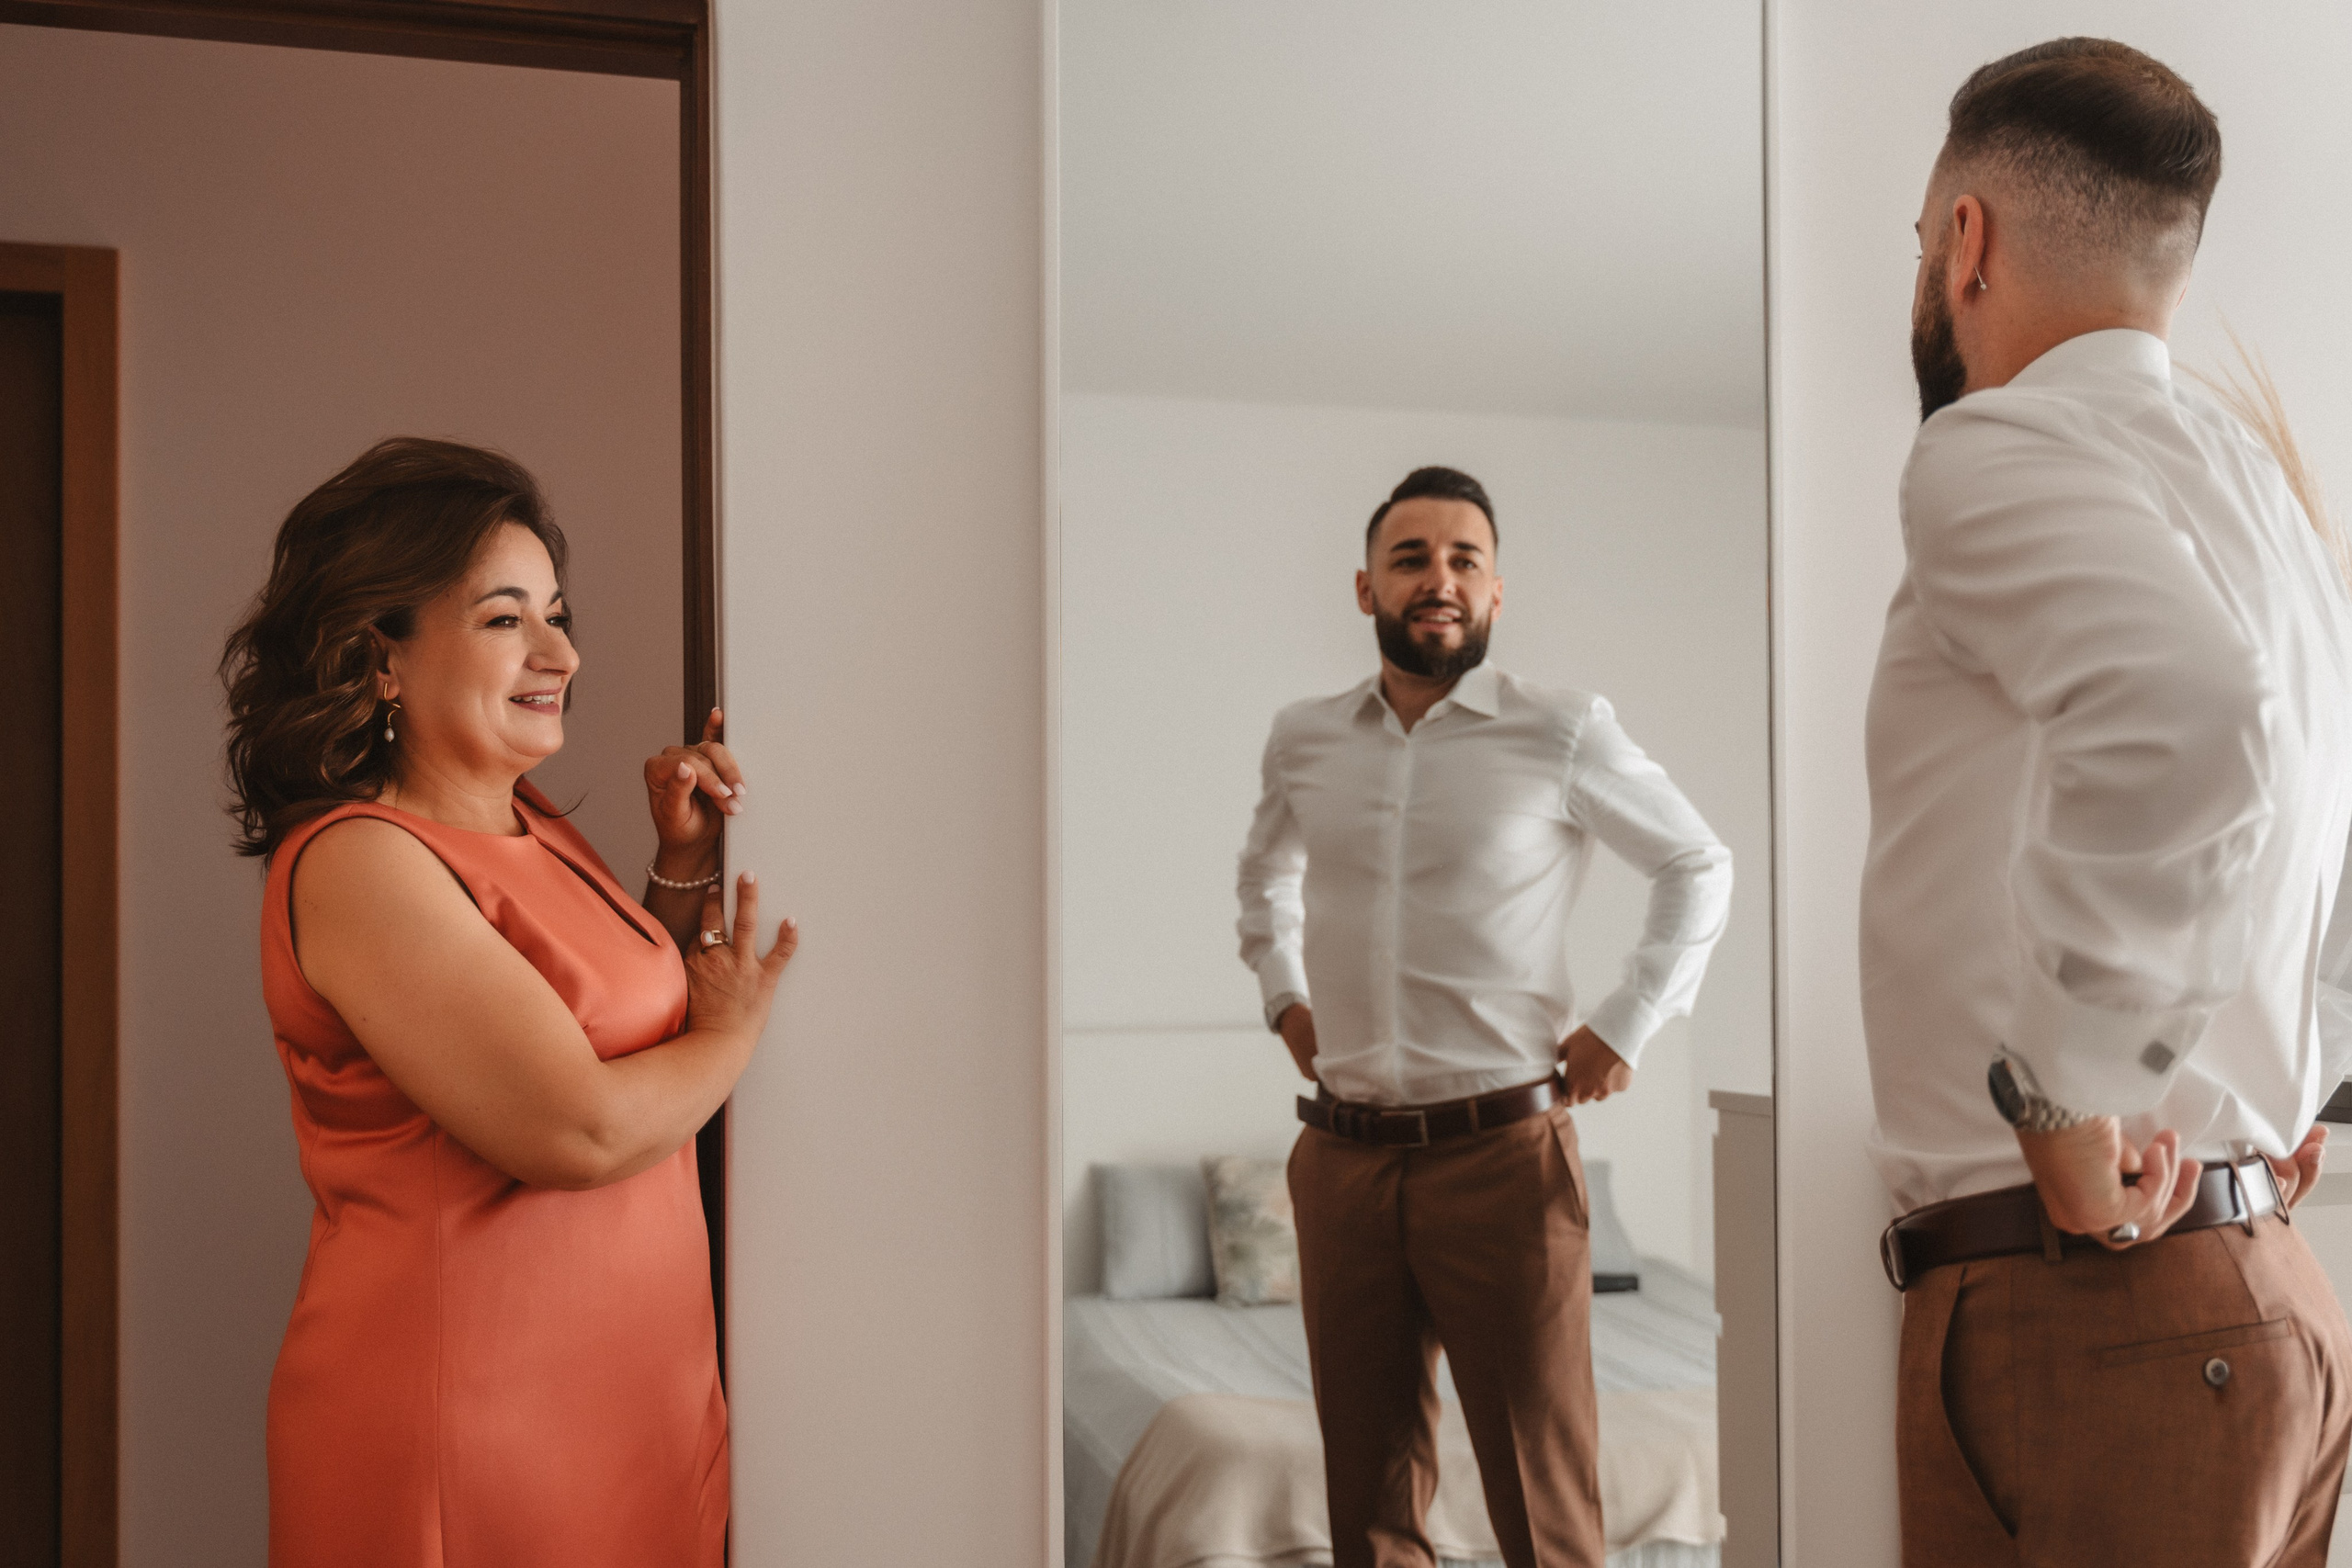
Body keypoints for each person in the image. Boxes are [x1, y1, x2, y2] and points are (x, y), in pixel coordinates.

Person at [1865, 39, 2352, 1566]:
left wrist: (2070, 1095)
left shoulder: (1992, 443)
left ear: (1967, 241)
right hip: (2249, 1295)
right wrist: (2298, 1072)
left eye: (1921, 240)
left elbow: (2192, 720)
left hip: (2101, 1311)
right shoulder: (2265, 500)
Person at [220, 438, 795, 1567]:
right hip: (473, 1422)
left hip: (629, 1403)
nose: (560, 653)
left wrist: (680, 861)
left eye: (556, 614)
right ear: (380, 656)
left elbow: (601, 1035)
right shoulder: (359, 862)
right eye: (503, 619)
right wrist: (737, 1031)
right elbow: (576, 1129)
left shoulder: (530, 822)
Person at [1234, 466, 1733, 1568]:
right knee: (1367, 1507)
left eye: (1464, 559)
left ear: (1496, 592)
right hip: (1343, 1163)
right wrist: (1283, 995)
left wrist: (1627, 1022)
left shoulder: (1561, 730)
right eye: (1410, 558)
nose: (1439, 579)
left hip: (1503, 1160)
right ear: (1365, 588)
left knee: (1543, 1511)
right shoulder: (1304, 738)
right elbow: (1264, 875)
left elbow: (1697, 863)